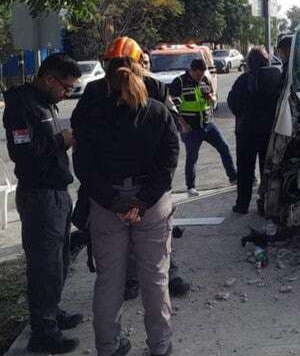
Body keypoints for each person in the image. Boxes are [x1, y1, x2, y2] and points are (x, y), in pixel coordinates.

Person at [74, 57, 179, 356]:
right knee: (155, 278)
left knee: (109, 280)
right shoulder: (158, 113)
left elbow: (84, 165)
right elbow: (169, 162)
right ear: (140, 76)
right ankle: (160, 348)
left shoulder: (93, 117)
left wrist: (113, 201)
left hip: (108, 205)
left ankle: (107, 350)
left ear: (107, 81)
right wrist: (143, 201)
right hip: (151, 204)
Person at [71, 36, 191, 299]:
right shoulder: (94, 92)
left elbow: (169, 133)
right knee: (129, 240)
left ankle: (165, 275)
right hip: (110, 182)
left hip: (142, 181)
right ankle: (131, 280)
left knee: (155, 238)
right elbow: (80, 133)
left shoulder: (155, 88)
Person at [2, 53, 83, 354]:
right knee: (44, 266)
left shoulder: (45, 102)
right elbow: (23, 153)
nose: (67, 94)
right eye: (66, 87)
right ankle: (43, 330)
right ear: (49, 79)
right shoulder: (21, 106)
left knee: (59, 261)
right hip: (39, 196)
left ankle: (53, 311)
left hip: (57, 193)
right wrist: (63, 140)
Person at [170, 58, 237, 196]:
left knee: (224, 147)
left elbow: (212, 98)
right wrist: (182, 124)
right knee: (192, 157)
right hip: (190, 127)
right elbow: (173, 107)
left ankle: (233, 177)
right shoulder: (180, 82)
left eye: (202, 75)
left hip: (207, 123)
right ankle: (191, 186)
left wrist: (212, 99)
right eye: (198, 74)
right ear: (192, 71)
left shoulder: (205, 81)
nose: (200, 77)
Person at [227, 47, 282, 214]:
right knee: (267, 168)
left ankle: (242, 204)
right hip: (269, 131)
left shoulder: (243, 80)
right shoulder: (276, 78)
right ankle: (265, 203)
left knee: (245, 170)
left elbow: (233, 103)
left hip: (246, 132)